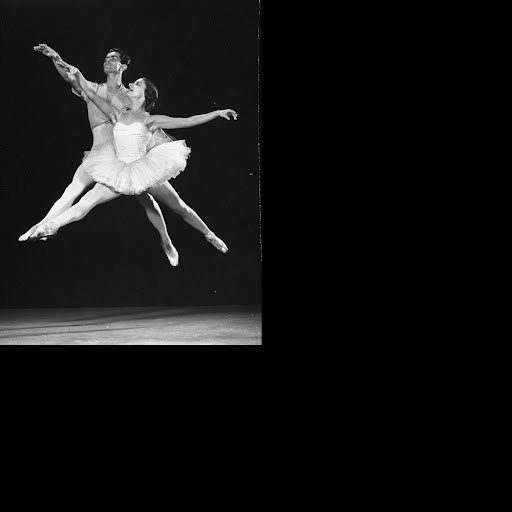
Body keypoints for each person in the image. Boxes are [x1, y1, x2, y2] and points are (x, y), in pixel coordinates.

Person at [27, 65, 238, 260]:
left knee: (180, 207)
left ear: (146, 94)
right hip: (118, 169)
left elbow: (188, 121)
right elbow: (91, 94)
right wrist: (78, 74)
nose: (130, 85)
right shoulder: (116, 114)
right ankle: (51, 226)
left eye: (137, 84)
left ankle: (209, 235)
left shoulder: (151, 120)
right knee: (87, 201)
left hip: (143, 170)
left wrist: (216, 113)